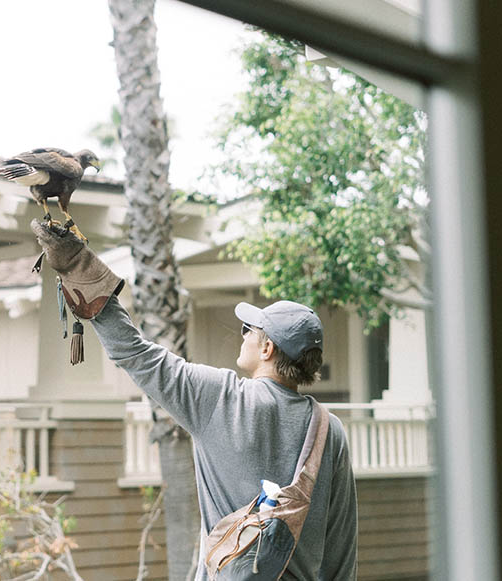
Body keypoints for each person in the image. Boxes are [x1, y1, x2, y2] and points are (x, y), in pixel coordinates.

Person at [31, 220, 358, 580]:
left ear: (267, 348)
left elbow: (136, 354)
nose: (244, 333)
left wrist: (77, 264)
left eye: (251, 330)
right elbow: (341, 550)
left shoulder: (219, 397)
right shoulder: (331, 430)